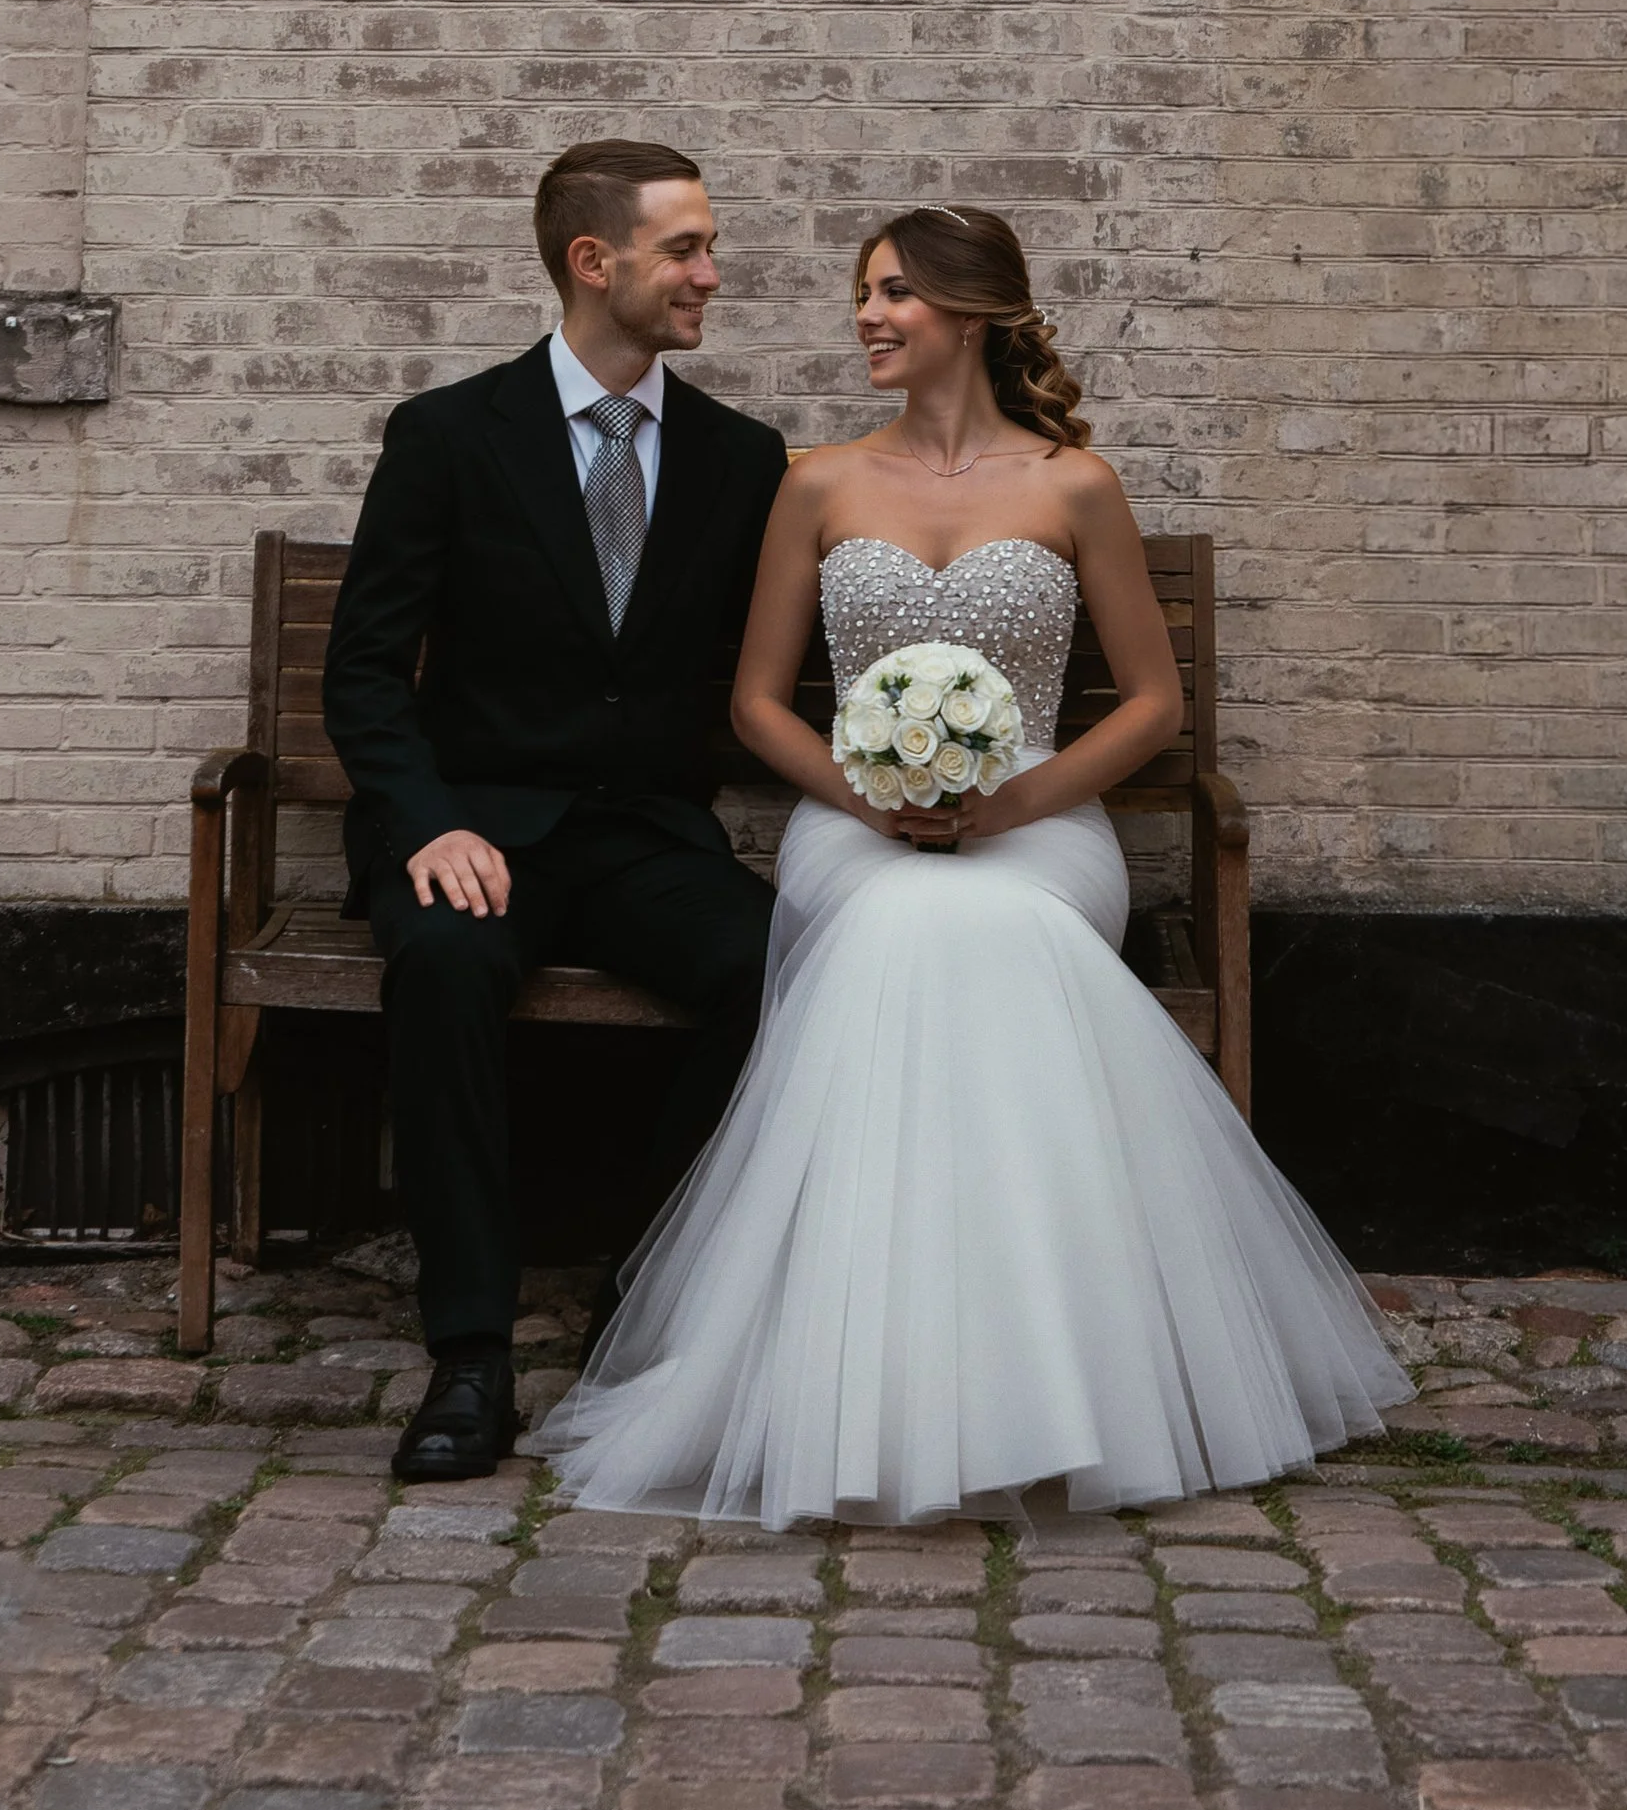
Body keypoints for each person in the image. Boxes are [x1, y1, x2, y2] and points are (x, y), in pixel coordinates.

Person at [540, 204, 1412, 1525]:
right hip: (858, 821)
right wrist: (871, 798)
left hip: (1040, 819)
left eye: (892, 295)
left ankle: (1067, 1382)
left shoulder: (1073, 485)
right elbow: (762, 705)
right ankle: (863, 1385)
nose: (868, 318)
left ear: (970, 311)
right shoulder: (819, 483)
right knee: (898, 935)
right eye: (864, 295)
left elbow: (1150, 705)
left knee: (997, 934)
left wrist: (1011, 804)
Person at [322, 139, 788, 1483]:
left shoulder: (742, 458)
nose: (713, 271)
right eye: (686, 249)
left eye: (708, 246)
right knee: (446, 960)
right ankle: (469, 1357)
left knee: (784, 967)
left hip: (644, 838)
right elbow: (365, 669)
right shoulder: (451, 436)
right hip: (477, 827)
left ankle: (640, 1294)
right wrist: (423, 823)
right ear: (597, 263)